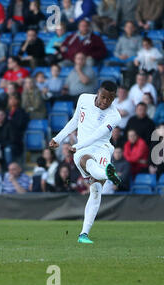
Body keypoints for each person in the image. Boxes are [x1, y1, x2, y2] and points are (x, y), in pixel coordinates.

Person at [49, 81, 123, 244]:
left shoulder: (115, 115)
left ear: (114, 99)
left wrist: (76, 145)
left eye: (109, 99)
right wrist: (58, 138)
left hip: (102, 147)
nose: (105, 102)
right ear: (98, 92)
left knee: (96, 189)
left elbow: (98, 134)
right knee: (87, 162)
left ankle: (83, 234)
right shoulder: (83, 99)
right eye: (103, 97)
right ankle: (108, 174)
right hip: (82, 149)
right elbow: (75, 121)